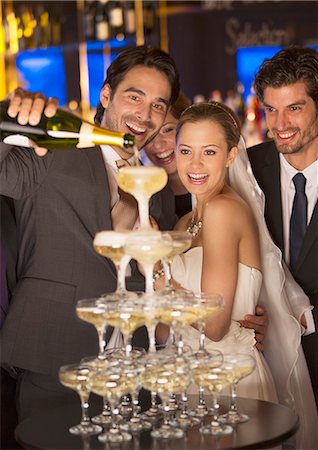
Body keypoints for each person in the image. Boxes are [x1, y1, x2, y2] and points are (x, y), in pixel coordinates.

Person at [0, 45, 180, 423]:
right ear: (106, 94)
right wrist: (9, 111)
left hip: (137, 366)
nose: (145, 115)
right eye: (135, 97)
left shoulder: (158, 186)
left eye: (159, 105)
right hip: (54, 350)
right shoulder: (51, 146)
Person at [155, 101, 318, 449]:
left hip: (229, 383)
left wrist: (155, 272)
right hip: (187, 377)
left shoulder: (223, 210)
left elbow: (214, 325)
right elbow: (164, 329)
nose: (194, 164)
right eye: (186, 151)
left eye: (209, 152)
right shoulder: (185, 223)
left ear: (230, 156)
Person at [249, 45, 318, 406]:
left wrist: (301, 320)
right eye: (271, 110)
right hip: (264, 373)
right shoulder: (245, 168)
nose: (280, 125)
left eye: (294, 108)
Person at [142, 91, 193, 219]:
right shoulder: (144, 198)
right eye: (149, 136)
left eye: (167, 130)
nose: (158, 144)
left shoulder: (220, 191)